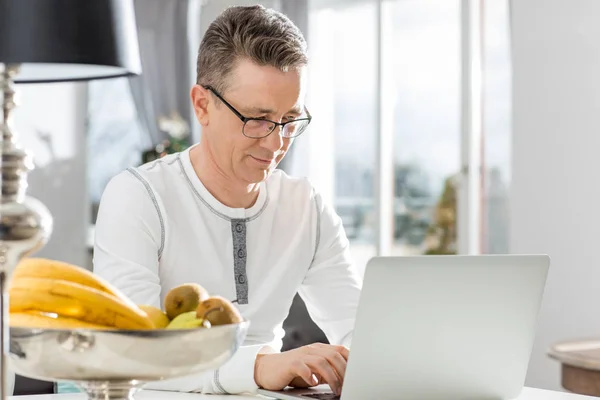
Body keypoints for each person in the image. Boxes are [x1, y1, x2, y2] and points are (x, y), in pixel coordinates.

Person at [93, 4, 362, 396]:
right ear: (203, 105)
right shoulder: (138, 195)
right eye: (257, 118)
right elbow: (133, 352)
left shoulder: (306, 206)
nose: (275, 143)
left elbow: (358, 328)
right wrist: (258, 368)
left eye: (290, 119)